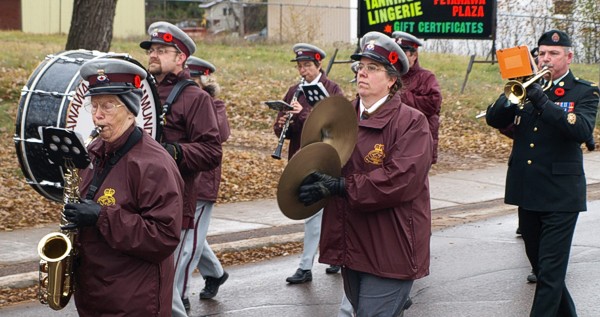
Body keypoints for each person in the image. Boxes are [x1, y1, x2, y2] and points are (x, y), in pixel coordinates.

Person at [298, 31, 433, 316]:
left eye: (373, 68)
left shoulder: (411, 122)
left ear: (392, 79)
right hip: (352, 243)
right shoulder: (340, 116)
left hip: (391, 247)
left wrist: (340, 186)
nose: (363, 73)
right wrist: (311, 182)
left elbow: (401, 180)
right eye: (361, 66)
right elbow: (321, 160)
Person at [485, 29, 599, 316]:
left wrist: (542, 101)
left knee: (549, 274)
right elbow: (493, 118)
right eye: (542, 53)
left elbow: (581, 130)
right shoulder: (526, 86)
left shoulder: (584, 91)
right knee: (542, 269)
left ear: (569, 57)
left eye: (554, 54)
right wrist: (513, 94)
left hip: (561, 195)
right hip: (527, 190)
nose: (545, 59)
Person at [62, 58, 184, 316]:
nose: (97, 115)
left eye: (107, 106)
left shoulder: (154, 164)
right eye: (93, 106)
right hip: (96, 294)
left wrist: (101, 217)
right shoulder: (94, 151)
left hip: (133, 301)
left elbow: (164, 236)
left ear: (131, 109)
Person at [140, 21, 223, 317]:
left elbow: (212, 152)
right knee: (146, 285)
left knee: (167, 290)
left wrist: (175, 151)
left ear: (180, 58)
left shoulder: (195, 99)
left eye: (163, 50)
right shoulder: (139, 94)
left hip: (174, 205)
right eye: (152, 49)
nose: (153, 55)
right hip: (139, 202)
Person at [273, 43, 344, 284]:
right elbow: (281, 131)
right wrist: (285, 121)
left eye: (307, 66)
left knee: (327, 212)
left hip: (327, 157)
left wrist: (303, 113)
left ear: (319, 65)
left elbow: (336, 128)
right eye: (300, 66)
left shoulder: (333, 90)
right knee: (314, 213)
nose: (303, 71)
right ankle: (320, 261)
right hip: (302, 158)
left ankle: (317, 263)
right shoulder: (295, 90)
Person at [178, 56, 231, 313]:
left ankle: (180, 294)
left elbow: (221, 133)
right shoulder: (182, 101)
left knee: (189, 243)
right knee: (192, 237)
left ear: (204, 81)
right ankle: (216, 273)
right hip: (182, 182)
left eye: (194, 79)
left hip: (203, 185)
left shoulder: (212, 104)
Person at [392, 31, 442, 164]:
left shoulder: (426, 77)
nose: (398, 58)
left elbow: (433, 104)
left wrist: (400, 95)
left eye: (402, 54)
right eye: (396, 53)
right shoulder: (390, 75)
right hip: (394, 140)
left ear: (414, 55)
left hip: (419, 140)